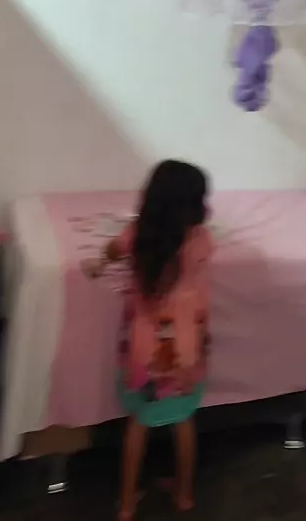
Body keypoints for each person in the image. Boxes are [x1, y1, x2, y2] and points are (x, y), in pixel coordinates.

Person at [83, 160, 213, 520]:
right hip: (186, 349)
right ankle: (184, 496)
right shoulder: (201, 240)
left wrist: (97, 264)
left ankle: (126, 503)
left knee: (138, 422)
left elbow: (111, 252)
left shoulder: (136, 235)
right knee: (183, 421)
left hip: (143, 349)